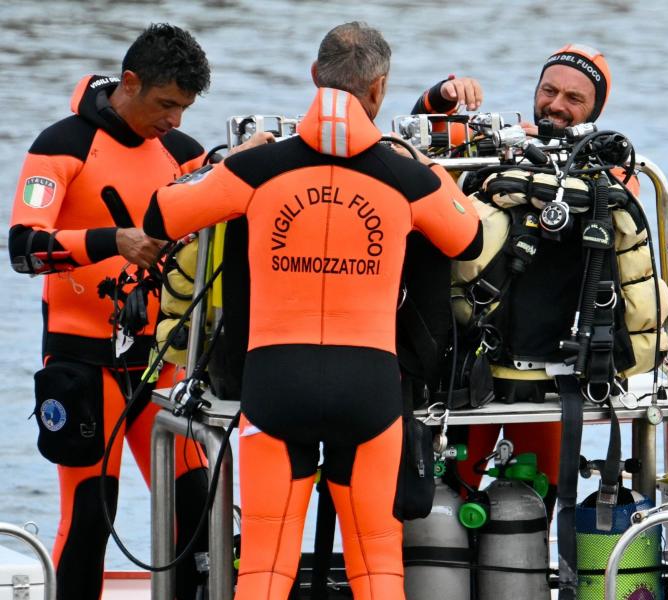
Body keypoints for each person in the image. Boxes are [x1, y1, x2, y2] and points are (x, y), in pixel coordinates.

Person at [143, 21, 482, 600]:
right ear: (378, 90)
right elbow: (467, 239)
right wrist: (421, 161)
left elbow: (161, 216)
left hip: (275, 383)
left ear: (313, 78)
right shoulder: (404, 175)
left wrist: (231, 161)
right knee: (376, 566)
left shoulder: (258, 168)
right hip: (370, 386)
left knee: (265, 569)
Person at [8, 23, 217, 599]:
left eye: (185, 107)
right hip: (82, 361)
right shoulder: (60, 145)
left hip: (162, 362)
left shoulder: (183, 153)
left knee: (198, 506)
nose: (174, 120)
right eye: (166, 104)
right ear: (130, 83)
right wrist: (112, 241)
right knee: (93, 517)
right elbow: (23, 249)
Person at [410, 45, 618, 511]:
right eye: (549, 90)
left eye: (574, 98)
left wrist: (557, 168)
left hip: (548, 374)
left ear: (595, 111)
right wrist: (442, 97)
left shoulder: (609, 166)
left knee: (534, 507)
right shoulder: (499, 142)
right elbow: (414, 148)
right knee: (441, 500)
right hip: (469, 363)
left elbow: (622, 202)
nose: (556, 105)